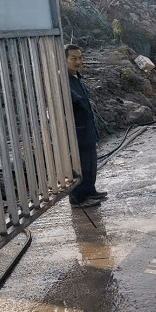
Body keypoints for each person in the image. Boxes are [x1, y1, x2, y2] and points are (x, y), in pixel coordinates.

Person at [65, 44, 107, 208]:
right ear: (64, 60)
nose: (78, 61)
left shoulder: (77, 78)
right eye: (73, 58)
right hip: (76, 131)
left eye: (80, 58)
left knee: (90, 162)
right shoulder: (64, 82)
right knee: (80, 164)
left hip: (87, 128)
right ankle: (78, 198)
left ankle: (90, 191)